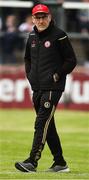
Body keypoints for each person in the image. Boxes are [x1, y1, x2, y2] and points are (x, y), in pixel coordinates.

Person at [15, 4, 77, 173]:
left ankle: (32, 161)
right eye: (37, 17)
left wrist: (57, 74)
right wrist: (30, 75)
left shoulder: (60, 35)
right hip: (37, 87)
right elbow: (27, 58)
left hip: (53, 88)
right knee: (48, 126)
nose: (41, 20)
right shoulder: (32, 35)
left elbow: (71, 60)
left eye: (44, 17)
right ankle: (60, 162)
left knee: (41, 123)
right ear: (33, 19)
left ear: (49, 17)